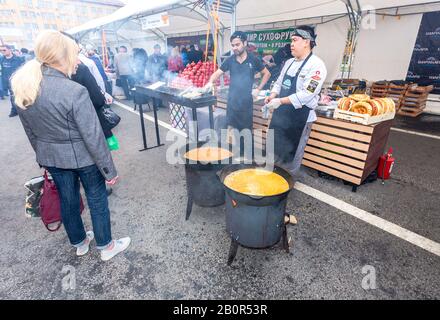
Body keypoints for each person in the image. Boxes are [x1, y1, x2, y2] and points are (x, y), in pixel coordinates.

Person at [11, 30, 130, 261]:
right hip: (83, 158)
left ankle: (80, 242)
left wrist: (43, 155)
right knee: (96, 199)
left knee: (68, 199)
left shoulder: (26, 86)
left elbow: (30, 131)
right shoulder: (74, 90)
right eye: (74, 54)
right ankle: (106, 246)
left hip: (52, 157)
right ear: (61, 56)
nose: (77, 61)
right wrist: (109, 170)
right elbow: (92, 135)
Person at [265, 26, 327, 176]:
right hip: (282, 115)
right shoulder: (289, 63)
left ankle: (287, 183)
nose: (291, 44)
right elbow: (279, 82)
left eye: (294, 40)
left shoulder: (317, 66)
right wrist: (273, 95)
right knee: (275, 148)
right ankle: (272, 177)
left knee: (293, 153)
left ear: (306, 42)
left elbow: (307, 94)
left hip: (301, 116)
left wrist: (280, 101)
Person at [205, 31, 271, 155]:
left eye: (237, 44)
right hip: (232, 102)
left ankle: (248, 158)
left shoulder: (253, 59)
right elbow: (217, 73)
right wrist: (210, 82)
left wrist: (258, 89)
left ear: (245, 43)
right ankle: (235, 156)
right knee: (232, 130)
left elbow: (267, 74)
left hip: (246, 103)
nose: (235, 48)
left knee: (246, 133)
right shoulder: (230, 60)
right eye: (233, 45)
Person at [0, 44, 25, 117]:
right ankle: (14, 110)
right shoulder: (1, 59)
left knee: (22, 96)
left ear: (10, 50)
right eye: (0, 50)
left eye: (4, 50)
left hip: (19, 81)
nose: (2, 52)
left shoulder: (19, 59)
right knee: (12, 97)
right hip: (8, 82)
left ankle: (24, 110)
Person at [147, 44, 167, 108]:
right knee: (155, 90)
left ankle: (160, 103)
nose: (158, 50)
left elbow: (165, 65)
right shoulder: (151, 57)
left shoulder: (162, 56)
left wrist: (165, 73)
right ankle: (155, 104)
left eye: (159, 48)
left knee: (161, 90)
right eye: (156, 49)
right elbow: (148, 66)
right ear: (154, 49)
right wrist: (151, 75)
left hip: (162, 75)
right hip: (154, 75)